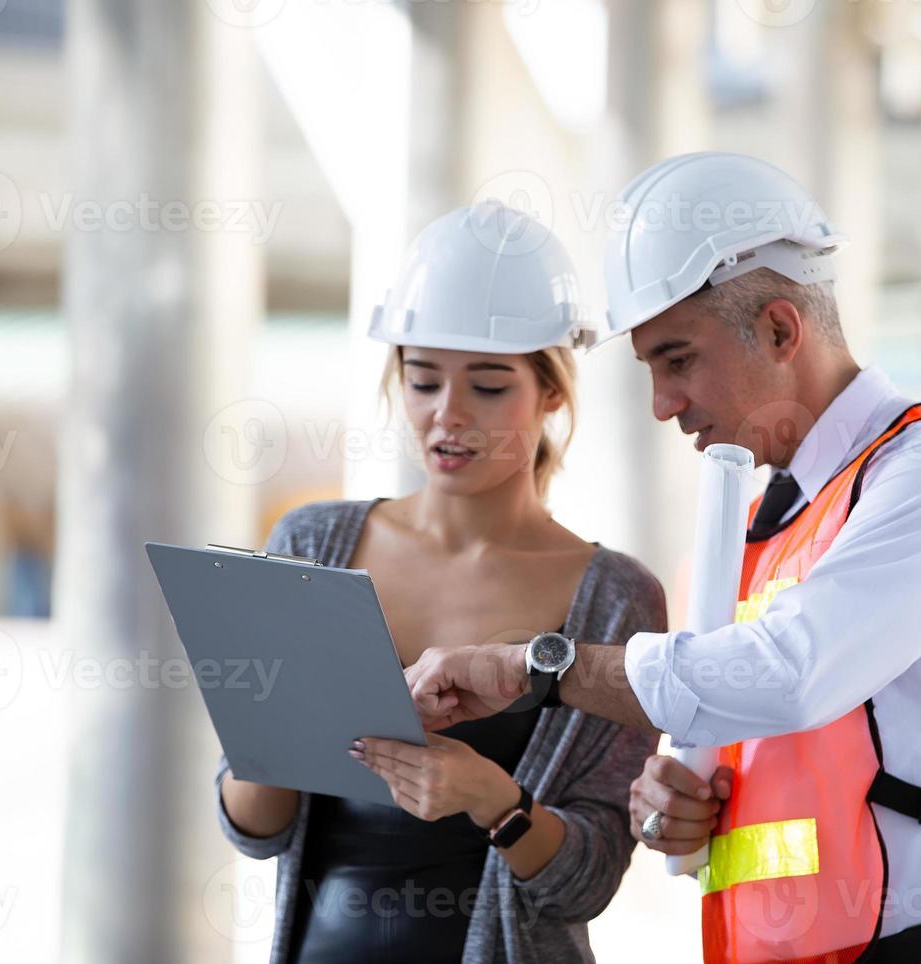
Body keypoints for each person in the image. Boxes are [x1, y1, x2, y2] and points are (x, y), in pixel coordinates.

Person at [405, 154, 921, 964]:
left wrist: (533, 667)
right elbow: (750, 734)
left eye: (677, 360)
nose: (662, 405)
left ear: (781, 329)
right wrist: (677, 803)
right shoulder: (770, 526)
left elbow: (792, 672)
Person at [215, 202, 666, 964]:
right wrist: (283, 738)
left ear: (552, 392)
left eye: (488, 388)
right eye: (423, 382)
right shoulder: (313, 544)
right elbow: (251, 827)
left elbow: (587, 880)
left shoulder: (615, 598)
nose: (447, 416)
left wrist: (488, 796)